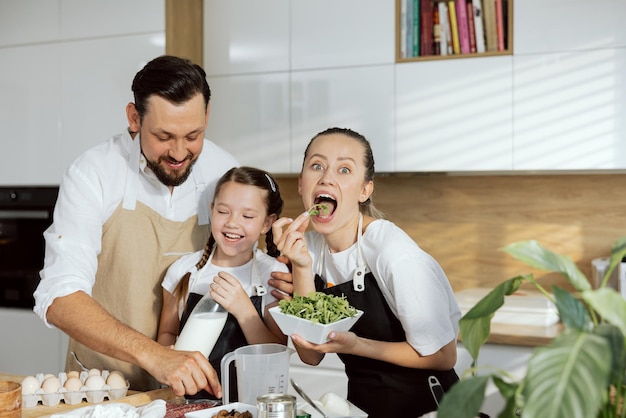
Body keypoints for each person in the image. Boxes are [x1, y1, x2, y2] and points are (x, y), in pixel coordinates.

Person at [33, 55, 242, 396]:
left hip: (191, 391)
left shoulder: (225, 173)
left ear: (206, 117)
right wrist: (156, 356)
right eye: (164, 136)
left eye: (193, 135)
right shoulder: (94, 173)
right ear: (134, 118)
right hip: (102, 387)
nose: (178, 152)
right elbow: (59, 297)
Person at [272, 127, 462, 418]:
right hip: (363, 409)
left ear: (365, 190)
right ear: (301, 184)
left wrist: (359, 346)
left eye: (344, 169)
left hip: (430, 407)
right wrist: (300, 265)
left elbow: (444, 356)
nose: (326, 177)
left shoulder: (394, 253)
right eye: (317, 165)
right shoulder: (309, 250)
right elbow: (311, 355)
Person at [157, 166, 288, 399]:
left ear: (267, 223)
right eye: (223, 211)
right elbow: (167, 332)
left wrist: (243, 308)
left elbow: (275, 354)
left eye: (247, 216)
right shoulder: (183, 270)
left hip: (251, 404)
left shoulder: (273, 274)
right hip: (190, 403)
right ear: (211, 210)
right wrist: (167, 357)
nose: (232, 223)